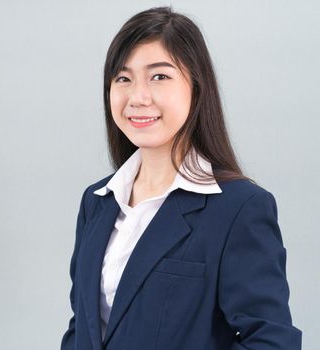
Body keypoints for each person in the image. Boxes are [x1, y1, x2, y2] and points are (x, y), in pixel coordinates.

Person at [60, 6, 302, 350]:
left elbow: (270, 340)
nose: (138, 97)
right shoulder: (97, 201)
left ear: (197, 88)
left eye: (159, 77)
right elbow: (82, 328)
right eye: (123, 78)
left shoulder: (239, 208)